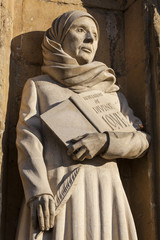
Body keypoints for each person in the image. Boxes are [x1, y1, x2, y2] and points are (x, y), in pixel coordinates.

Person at [16, 10, 150, 240]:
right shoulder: (40, 87)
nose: (90, 39)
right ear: (59, 38)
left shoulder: (110, 93)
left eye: (95, 35)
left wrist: (104, 142)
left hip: (105, 190)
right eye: (80, 30)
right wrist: (38, 190)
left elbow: (141, 140)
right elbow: (28, 139)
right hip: (58, 187)